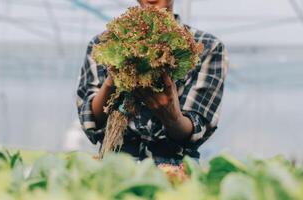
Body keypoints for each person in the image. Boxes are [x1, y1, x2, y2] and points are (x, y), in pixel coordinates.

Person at [76, 0, 228, 165]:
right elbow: (90, 118)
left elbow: (197, 129)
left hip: (174, 171)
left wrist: (173, 118)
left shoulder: (207, 47)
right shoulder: (103, 44)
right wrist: (114, 78)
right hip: (115, 167)